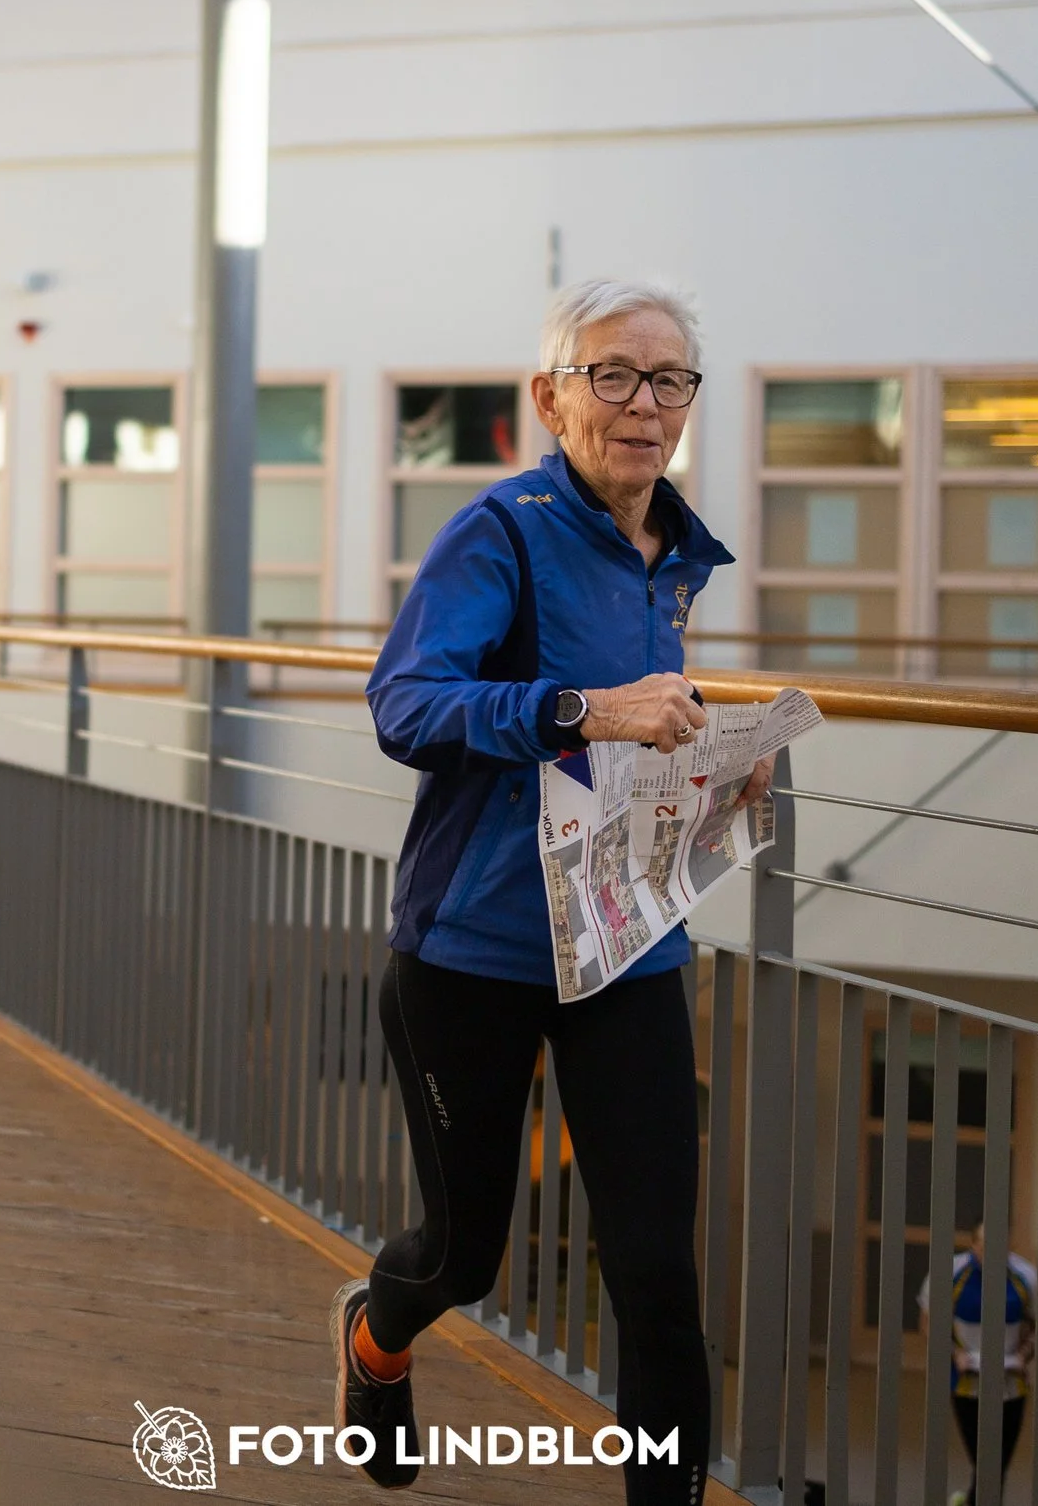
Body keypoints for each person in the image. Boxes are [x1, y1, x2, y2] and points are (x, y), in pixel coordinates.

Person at [331, 279, 774, 1504]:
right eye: (612, 375)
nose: (644, 402)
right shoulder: (502, 530)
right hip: (472, 947)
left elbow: (631, 735)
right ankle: (376, 1333)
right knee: (461, 1255)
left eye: (669, 378)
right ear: (552, 396)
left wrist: (711, 758)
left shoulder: (672, 551)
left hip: (625, 944)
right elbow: (405, 707)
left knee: (656, 1274)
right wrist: (584, 709)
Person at [917, 1222, 1036, 1506]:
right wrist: (954, 1353)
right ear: (973, 1245)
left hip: (1011, 1384)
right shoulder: (950, 1274)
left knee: (997, 1465)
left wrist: (1024, 1354)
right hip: (966, 1383)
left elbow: (1037, 1326)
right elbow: (928, 1324)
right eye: (985, 1244)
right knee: (985, 1462)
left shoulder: (1026, 1277)